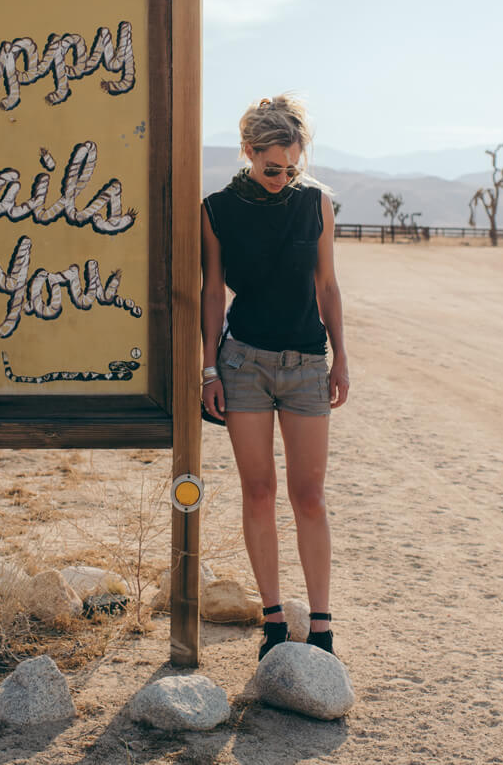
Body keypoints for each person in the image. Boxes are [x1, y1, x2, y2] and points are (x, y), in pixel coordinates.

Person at [200, 94, 351, 661]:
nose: (281, 178)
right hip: (242, 364)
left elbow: (327, 287)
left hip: (308, 363)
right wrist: (209, 367)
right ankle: (270, 624)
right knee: (258, 492)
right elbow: (213, 291)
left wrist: (341, 358)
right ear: (247, 151)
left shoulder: (315, 203)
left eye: (291, 168)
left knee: (308, 496)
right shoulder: (215, 209)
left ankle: (323, 629)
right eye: (271, 167)